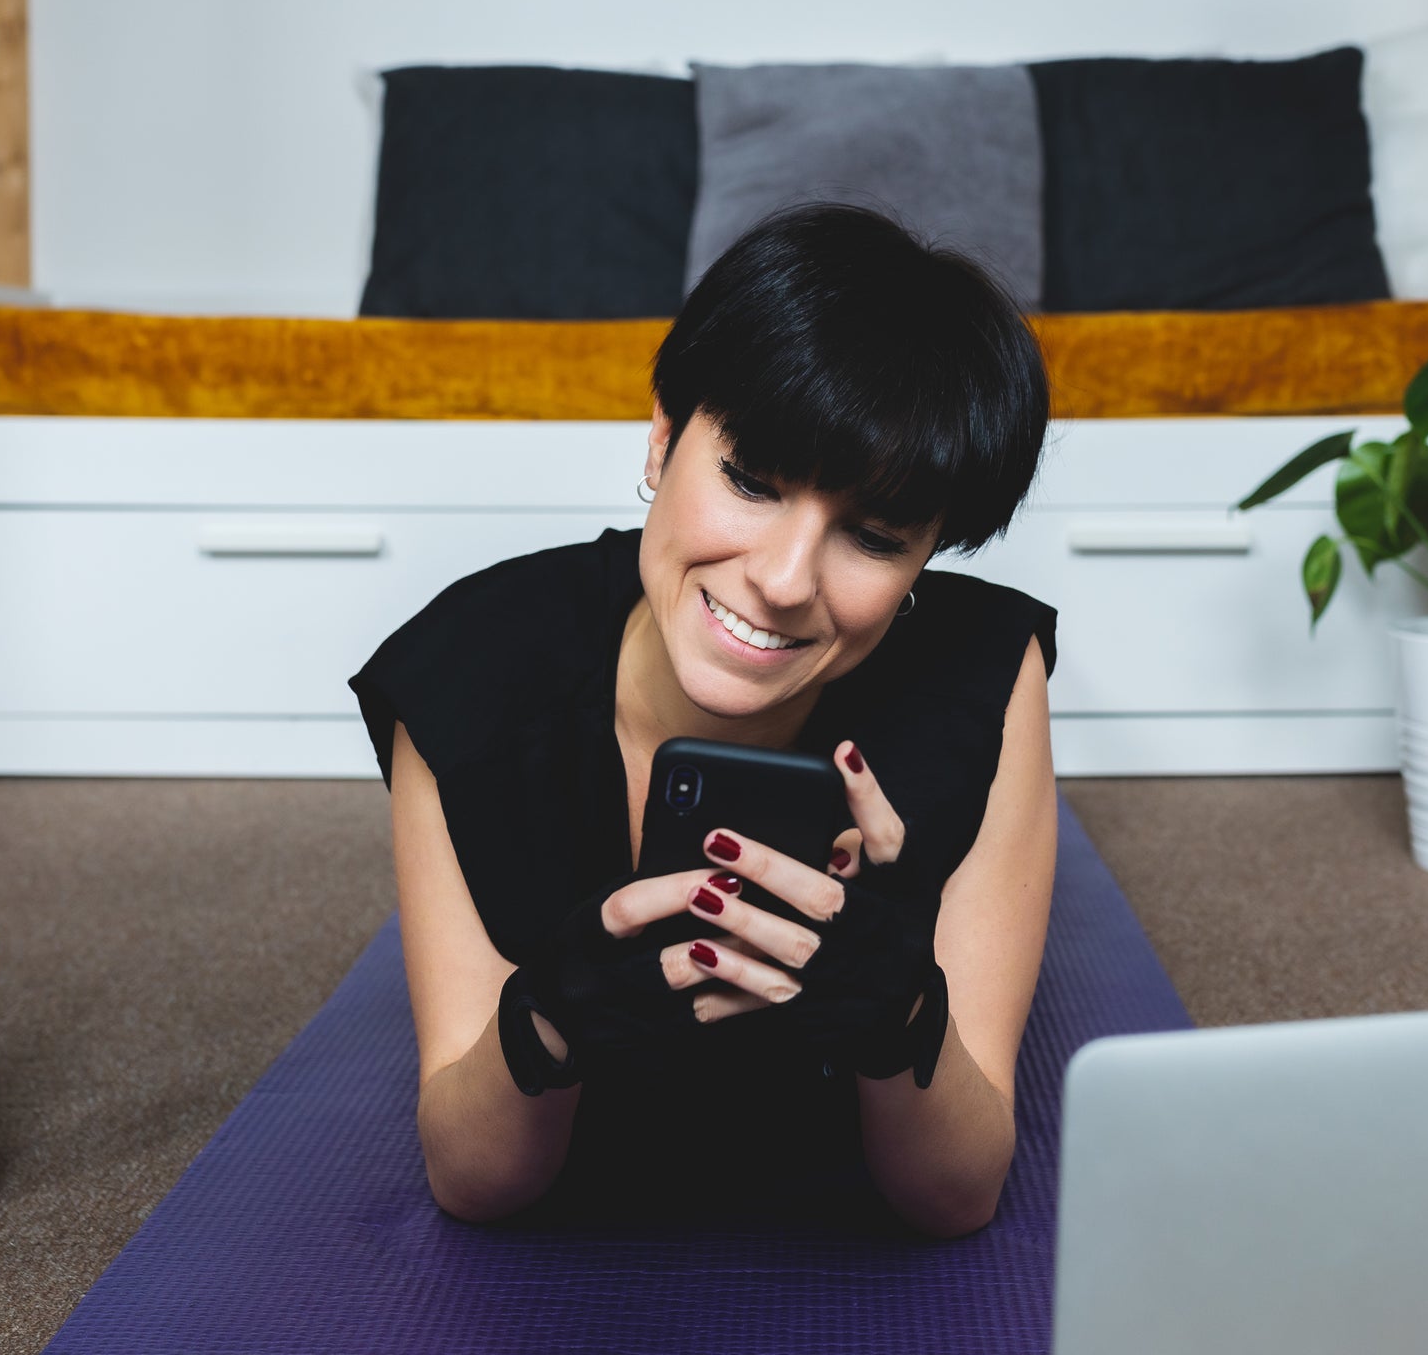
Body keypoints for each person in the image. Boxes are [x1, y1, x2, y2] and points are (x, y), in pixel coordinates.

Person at [350, 203, 1057, 1238]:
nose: (780, 579)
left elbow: (954, 1193)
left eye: (872, 535)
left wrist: (897, 1004)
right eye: (751, 481)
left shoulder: (982, 679)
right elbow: (474, 1178)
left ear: (924, 560)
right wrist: (551, 1016)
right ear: (663, 435)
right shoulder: (476, 670)